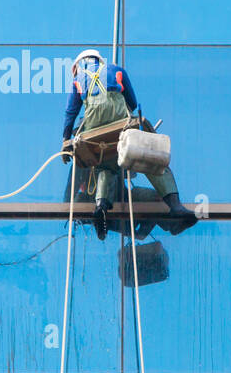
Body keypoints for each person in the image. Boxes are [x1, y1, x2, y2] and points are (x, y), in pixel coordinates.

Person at [61, 49, 196, 240]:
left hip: (93, 132)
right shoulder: (116, 70)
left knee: (105, 167)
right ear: (100, 61)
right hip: (120, 125)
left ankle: (101, 207)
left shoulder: (78, 80)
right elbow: (132, 103)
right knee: (151, 159)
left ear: (78, 66)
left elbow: (70, 113)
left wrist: (66, 140)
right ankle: (175, 206)